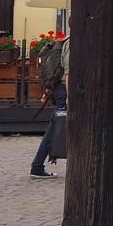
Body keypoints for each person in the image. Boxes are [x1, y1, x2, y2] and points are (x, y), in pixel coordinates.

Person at [31, 34, 68, 179]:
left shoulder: (66, 42)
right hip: (64, 90)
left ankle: (37, 165)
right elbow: (68, 73)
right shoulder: (71, 43)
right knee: (56, 127)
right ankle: (37, 165)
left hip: (60, 89)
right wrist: (69, 96)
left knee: (55, 126)